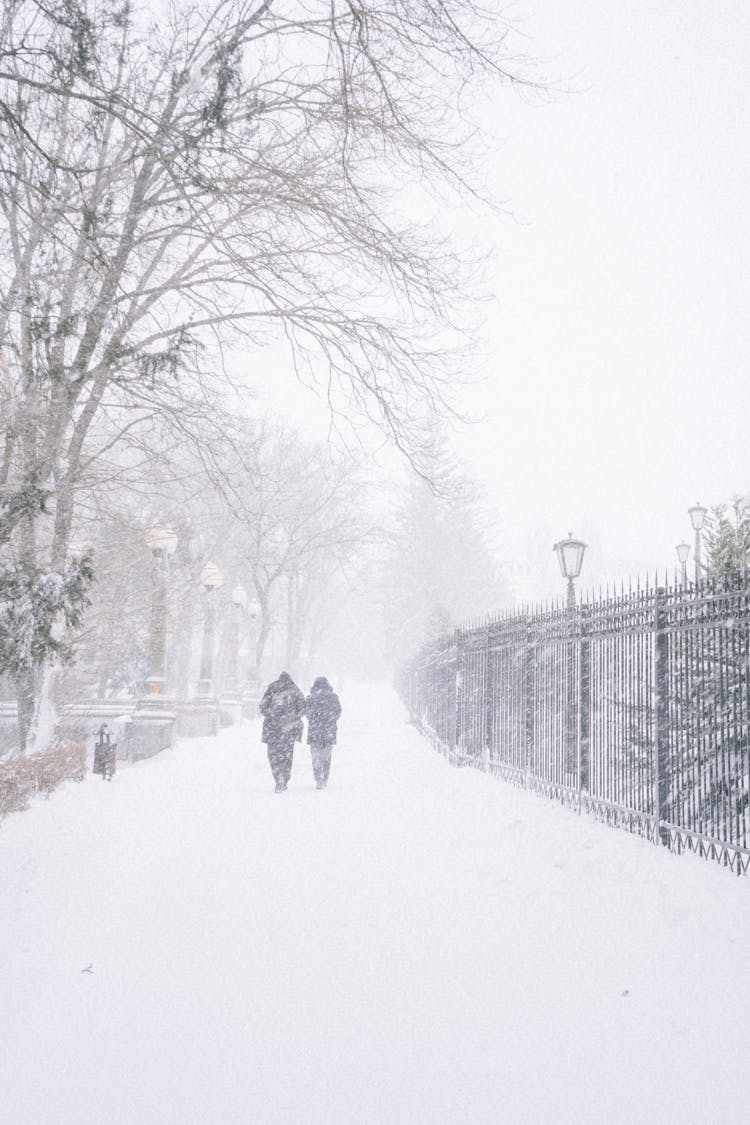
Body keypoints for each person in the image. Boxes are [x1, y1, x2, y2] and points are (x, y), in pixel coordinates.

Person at [259, 671, 306, 792]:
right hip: (289, 729)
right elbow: (303, 709)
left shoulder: (272, 688)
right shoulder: (295, 690)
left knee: (273, 754)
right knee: (287, 754)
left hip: (272, 729)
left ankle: (277, 776)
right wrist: (291, 717)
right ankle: (283, 777)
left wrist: (273, 715)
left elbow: (262, 707)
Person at [305, 676, 342, 790]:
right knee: (326, 756)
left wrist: (315, 719)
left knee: (316, 756)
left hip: (315, 731)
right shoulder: (333, 697)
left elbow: (307, 714)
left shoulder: (311, 698)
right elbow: (338, 712)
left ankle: (318, 778)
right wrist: (330, 719)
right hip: (329, 730)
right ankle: (325, 778)